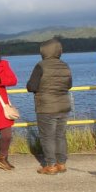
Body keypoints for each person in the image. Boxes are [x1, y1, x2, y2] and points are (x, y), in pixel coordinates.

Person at [27, 39, 73, 174]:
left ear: (44, 51)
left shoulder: (41, 66)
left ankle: (51, 165)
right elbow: (69, 85)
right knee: (60, 135)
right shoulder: (65, 66)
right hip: (63, 105)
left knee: (47, 136)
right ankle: (61, 163)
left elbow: (31, 86)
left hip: (46, 106)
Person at [0, 46, 18, 171]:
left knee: (7, 135)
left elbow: (13, 80)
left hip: (1, 105)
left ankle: (2, 158)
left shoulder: (3, 65)